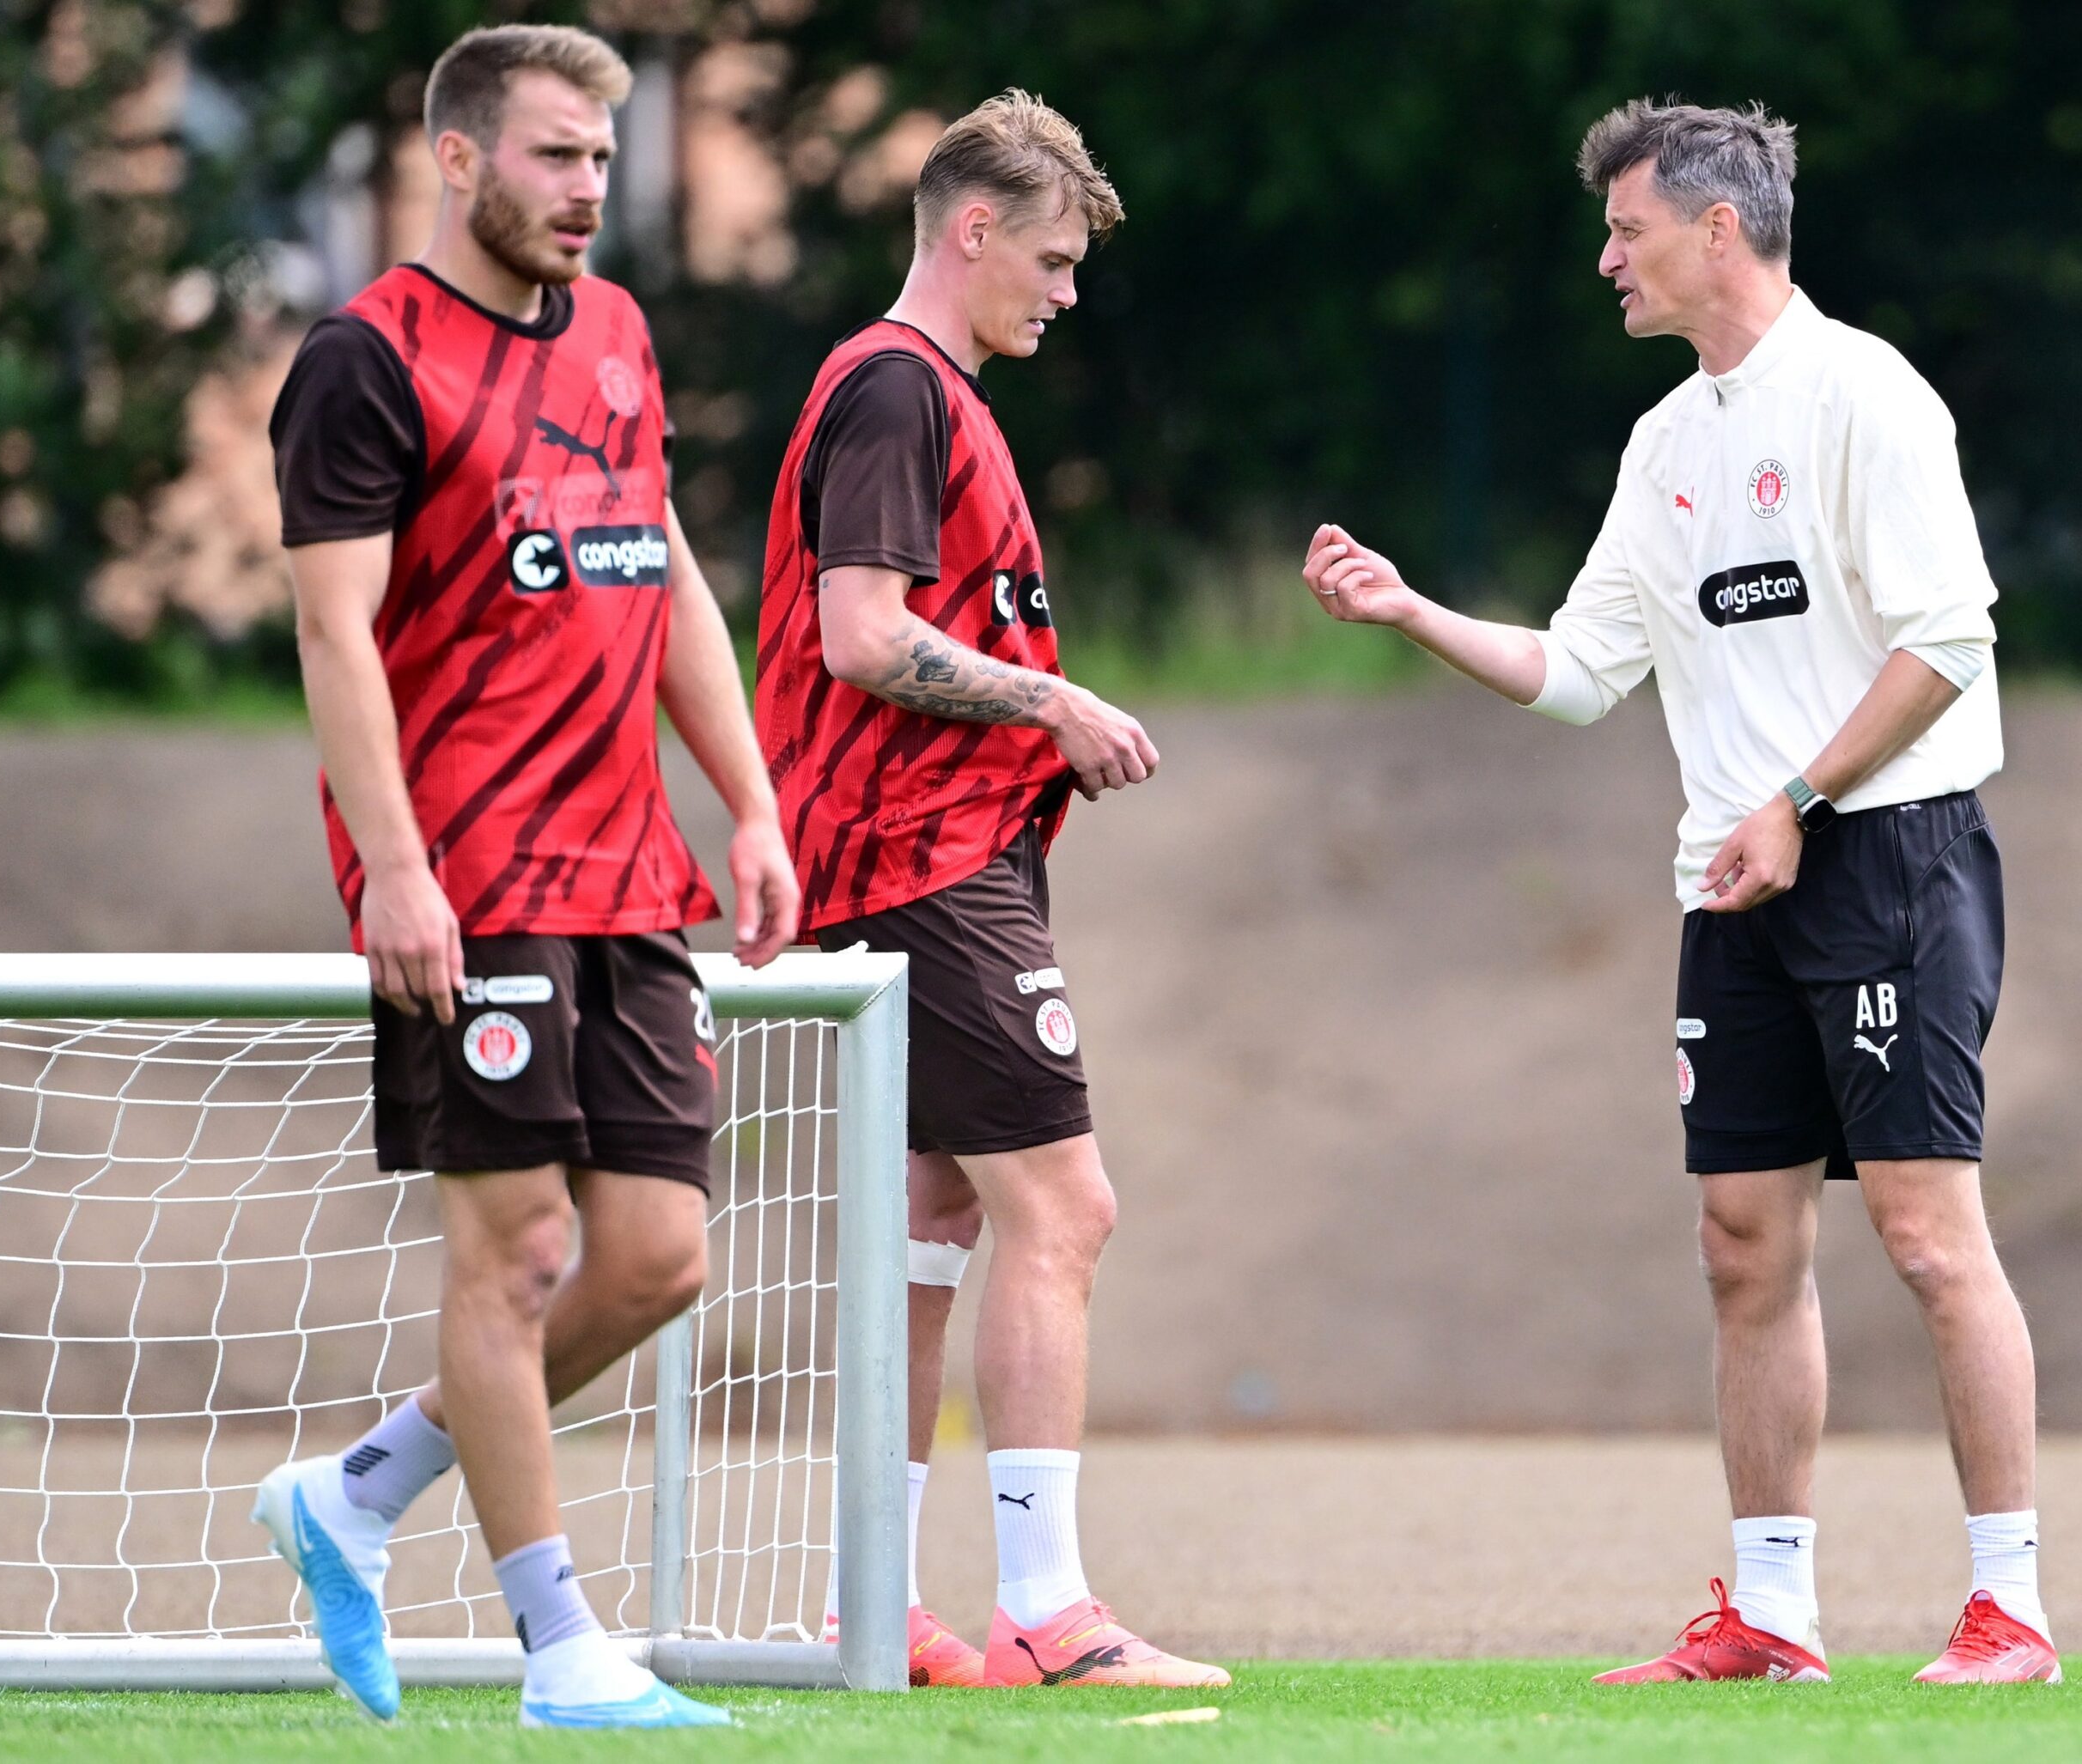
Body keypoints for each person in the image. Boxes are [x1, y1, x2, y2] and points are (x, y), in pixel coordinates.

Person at [1303, 98, 2054, 1687]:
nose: (1605, 258)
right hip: (1738, 876)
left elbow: (1948, 641)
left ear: (1719, 228)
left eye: (1626, 227)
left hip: (1888, 855)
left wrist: (1798, 800)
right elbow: (1581, 672)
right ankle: (1774, 1619)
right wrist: (1410, 610)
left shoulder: (1868, 394)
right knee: (1739, 1242)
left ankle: (2012, 1610)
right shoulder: (1667, 443)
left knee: (1928, 1235)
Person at [254, 23, 797, 1728]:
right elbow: (333, 633)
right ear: (463, 159)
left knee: (656, 1259)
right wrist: (396, 871)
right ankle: (560, 1646)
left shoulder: (620, 337)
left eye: (601, 158)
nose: (589, 190)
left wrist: (753, 803)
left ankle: (350, 1492)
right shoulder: (366, 360)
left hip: (629, 874)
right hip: (472, 873)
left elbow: (669, 580)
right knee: (516, 1256)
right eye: (557, 156)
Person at [755, 90, 1225, 1691]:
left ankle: (868, 1601)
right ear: (970, 232)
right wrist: (1052, 701)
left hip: (925, 855)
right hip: (918, 860)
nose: (1066, 291)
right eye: (1050, 257)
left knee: (938, 1211)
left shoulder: (923, 392)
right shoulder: (896, 388)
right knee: (1065, 1207)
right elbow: (864, 633)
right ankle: (1046, 1605)